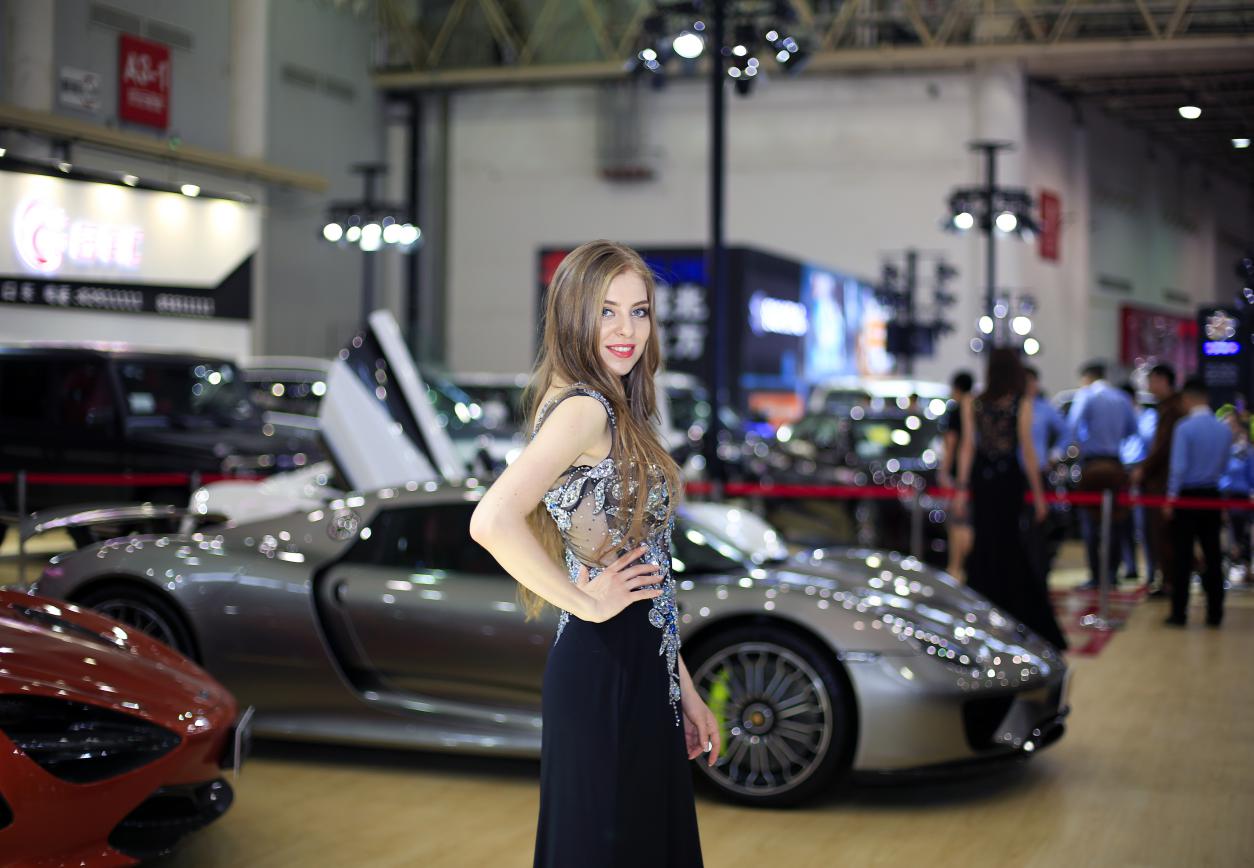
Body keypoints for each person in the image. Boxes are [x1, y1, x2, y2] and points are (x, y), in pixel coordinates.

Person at [470, 241, 713, 867]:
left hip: (640, 666)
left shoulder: (615, 407)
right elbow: (491, 521)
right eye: (607, 311)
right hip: (605, 668)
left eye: (639, 311)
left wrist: (681, 687)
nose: (627, 330)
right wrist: (586, 602)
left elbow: (646, 572)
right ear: (574, 315)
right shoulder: (583, 409)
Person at [956, 348, 1067, 650]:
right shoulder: (1021, 403)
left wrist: (962, 488)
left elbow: (968, 448)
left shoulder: (972, 402)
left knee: (984, 544)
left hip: (982, 480)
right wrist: (1040, 497)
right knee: (1011, 544)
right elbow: (1027, 452)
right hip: (1008, 481)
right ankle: (1019, 613)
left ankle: (983, 610)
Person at [1164, 377, 1232, 627]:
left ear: (1187, 399)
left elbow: (1179, 467)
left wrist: (1171, 498)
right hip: (1212, 495)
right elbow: (1224, 466)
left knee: (1183, 556)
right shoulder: (1223, 429)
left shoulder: (1184, 427)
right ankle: (1215, 613)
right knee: (1213, 555)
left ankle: (1179, 613)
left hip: (1187, 496)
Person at [1066, 361, 1139, 590]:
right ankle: (1112, 574)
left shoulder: (1086, 396)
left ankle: (1096, 575)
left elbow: (1072, 427)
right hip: (1115, 464)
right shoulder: (1121, 398)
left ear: (1087, 377)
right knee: (1115, 519)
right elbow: (1132, 430)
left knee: (1090, 520)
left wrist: (1080, 445)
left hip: (1092, 464)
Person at [1131, 363, 1185, 596]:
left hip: (1162, 484)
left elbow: (1163, 448)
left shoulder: (1172, 409)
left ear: (1163, 380)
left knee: (1164, 536)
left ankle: (1170, 582)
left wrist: (1143, 470)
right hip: (1163, 481)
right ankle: (1168, 579)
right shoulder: (1168, 407)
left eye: (1152, 381)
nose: (1149, 386)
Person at [1023, 365, 1067, 580]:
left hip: (1038, 472)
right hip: (1015, 475)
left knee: (1040, 528)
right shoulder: (1012, 406)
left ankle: (1039, 573)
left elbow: (1066, 432)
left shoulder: (1044, 408)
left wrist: (1055, 455)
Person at [940, 370, 975, 581]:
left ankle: (956, 568)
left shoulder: (957, 410)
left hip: (959, 477)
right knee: (966, 521)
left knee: (958, 522)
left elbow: (952, 444)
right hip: (974, 474)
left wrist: (944, 470)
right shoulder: (977, 407)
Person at [1217, 408, 1254, 581]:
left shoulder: (1246, 451)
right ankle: (1224, 566)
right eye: (1226, 425)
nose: (1229, 428)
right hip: (1220, 496)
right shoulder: (1219, 450)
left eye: (1232, 424)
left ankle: (1244, 564)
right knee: (1222, 534)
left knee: (1242, 530)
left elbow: (1251, 475)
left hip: (1240, 497)